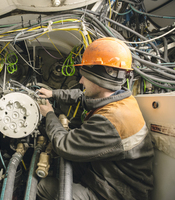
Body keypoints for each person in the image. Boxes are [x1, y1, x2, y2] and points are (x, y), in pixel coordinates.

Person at [36, 37, 154, 200]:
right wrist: (53, 94)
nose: (80, 80)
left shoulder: (111, 120)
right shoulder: (121, 99)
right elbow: (82, 96)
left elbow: (64, 145)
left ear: (99, 81)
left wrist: (49, 114)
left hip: (116, 193)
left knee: (43, 187)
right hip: (109, 174)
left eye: (85, 76)